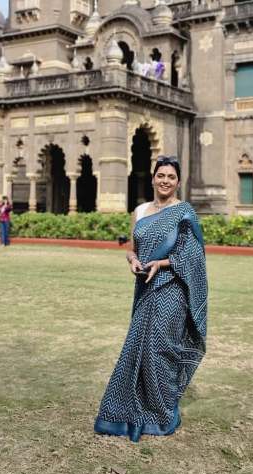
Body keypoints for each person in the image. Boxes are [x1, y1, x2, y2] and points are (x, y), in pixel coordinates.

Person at [94, 156, 208, 442]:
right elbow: (133, 248)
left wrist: (162, 263)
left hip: (171, 290)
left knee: (161, 348)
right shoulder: (141, 211)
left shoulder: (184, 212)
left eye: (171, 176)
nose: (165, 181)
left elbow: (192, 255)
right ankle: (124, 412)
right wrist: (132, 259)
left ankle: (161, 412)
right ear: (154, 178)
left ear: (178, 182)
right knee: (138, 347)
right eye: (161, 175)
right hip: (144, 287)